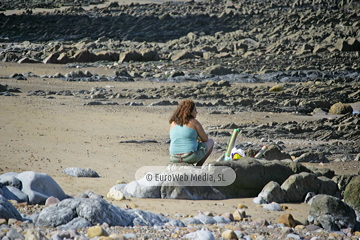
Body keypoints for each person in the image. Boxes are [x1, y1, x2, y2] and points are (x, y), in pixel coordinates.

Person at [169, 99, 214, 166]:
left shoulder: (173, 123)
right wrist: (198, 139)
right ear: (189, 112)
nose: (196, 112)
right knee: (211, 141)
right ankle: (199, 166)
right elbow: (205, 139)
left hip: (174, 157)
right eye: (194, 110)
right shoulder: (194, 122)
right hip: (189, 157)